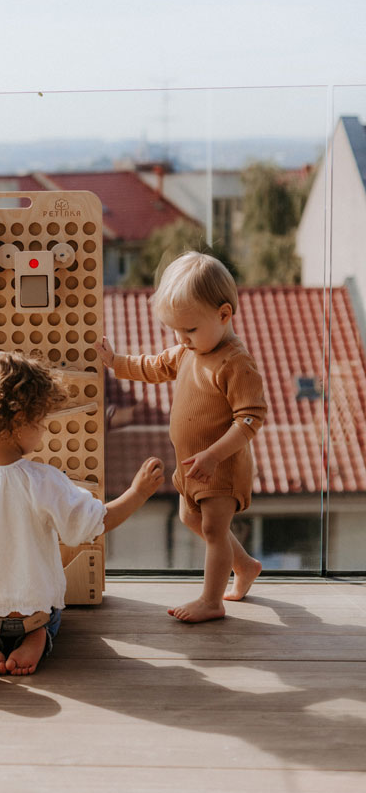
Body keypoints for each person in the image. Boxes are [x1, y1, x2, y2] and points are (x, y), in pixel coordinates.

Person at [0, 350, 164, 675]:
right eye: (40, 420)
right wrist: (137, 493)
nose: (43, 429)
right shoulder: (40, 481)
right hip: (33, 614)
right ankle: (37, 635)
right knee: (50, 613)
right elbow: (93, 524)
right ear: (18, 423)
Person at [96, 251, 266, 623]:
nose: (182, 339)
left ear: (224, 315)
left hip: (220, 467)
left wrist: (214, 456)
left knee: (212, 528)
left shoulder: (235, 363)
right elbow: (155, 366)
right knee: (190, 519)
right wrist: (114, 362)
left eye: (189, 330)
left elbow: (250, 419)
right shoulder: (191, 350)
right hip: (192, 466)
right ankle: (245, 565)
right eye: (176, 331)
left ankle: (211, 601)